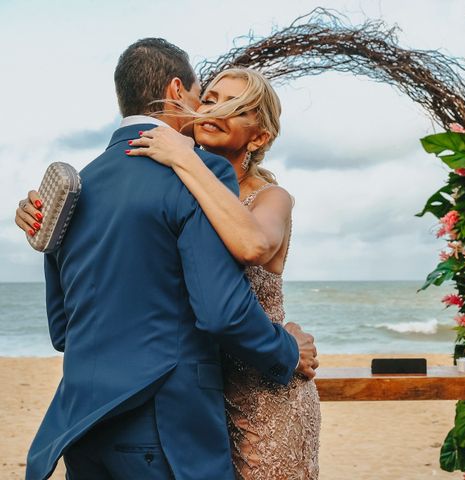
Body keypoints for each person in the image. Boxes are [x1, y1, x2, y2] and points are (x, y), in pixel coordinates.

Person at [15, 38, 318, 480]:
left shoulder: (75, 186)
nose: (207, 110)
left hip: (85, 424)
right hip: (168, 422)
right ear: (178, 91)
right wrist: (286, 350)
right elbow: (220, 312)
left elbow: (63, 328)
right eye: (205, 97)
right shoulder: (192, 172)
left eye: (229, 105)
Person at [126, 67, 322, 479]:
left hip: (268, 394)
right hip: (197, 401)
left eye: (236, 107)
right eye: (211, 100)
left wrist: (183, 155)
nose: (216, 111)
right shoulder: (175, 189)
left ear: (259, 137)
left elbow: (254, 245)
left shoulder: (272, 197)